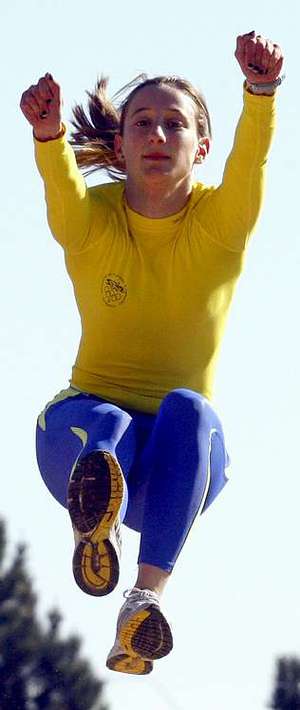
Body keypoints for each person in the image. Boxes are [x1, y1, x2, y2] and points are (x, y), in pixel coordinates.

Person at [20, 30, 284, 675]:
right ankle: (95, 522)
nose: (159, 136)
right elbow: (61, 192)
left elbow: (251, 164)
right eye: (143, 123)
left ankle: (143, 601)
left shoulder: (223, 224)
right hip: (78, 434)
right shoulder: (91, 221)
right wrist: (49, 137)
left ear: (203, 147)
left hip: (172, 472)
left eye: (175, 125)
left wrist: (262, 92)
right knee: (109, 422)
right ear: (120, 145)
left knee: (192, 409)